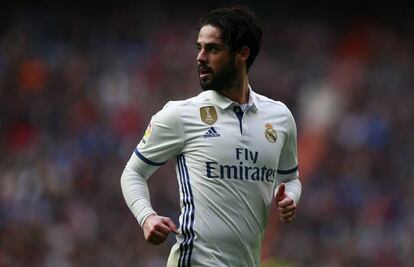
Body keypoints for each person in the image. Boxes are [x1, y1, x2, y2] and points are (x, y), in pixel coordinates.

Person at [121, 5, 302, 267]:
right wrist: (146, 216)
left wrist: (289, 197)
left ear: (242, 54)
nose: (200, 57)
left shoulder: (280, 118)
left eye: (213, 49)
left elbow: (291, 179)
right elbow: (133, 173)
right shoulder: (180, 115)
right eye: (199, 47)